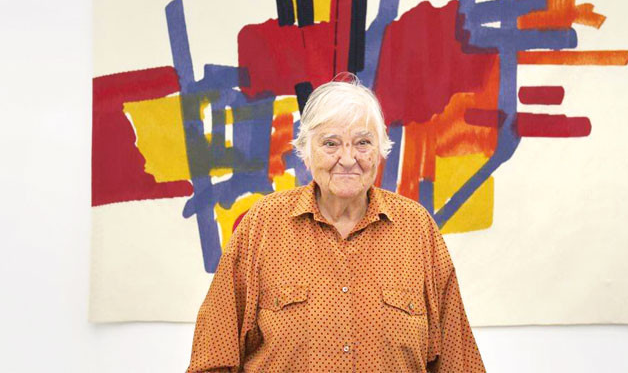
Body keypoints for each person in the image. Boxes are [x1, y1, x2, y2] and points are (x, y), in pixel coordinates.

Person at [187, 74, 486, 372]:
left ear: (380, 151)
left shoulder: (417, 228)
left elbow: (458, 363)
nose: (347, 158)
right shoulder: (263, 224)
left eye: (363, 143)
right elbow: (212, 357)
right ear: (306, 152)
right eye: (330, 143)